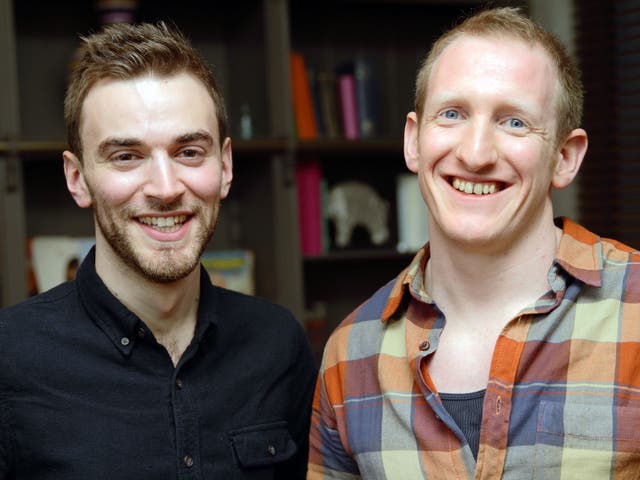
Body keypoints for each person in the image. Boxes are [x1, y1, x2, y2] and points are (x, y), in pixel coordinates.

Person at [308, 7, 640, 479]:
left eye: (515, 122)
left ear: (565, 158)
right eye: (452, 114)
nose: (476, 153)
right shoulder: (350, 353)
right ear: (413, 142)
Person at [0, 22, 316, 479]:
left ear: (224, 166)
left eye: (189, 151)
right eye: (126, 156)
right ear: (77, 178)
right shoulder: (10, 356)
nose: (165, 189)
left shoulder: (278, 344)